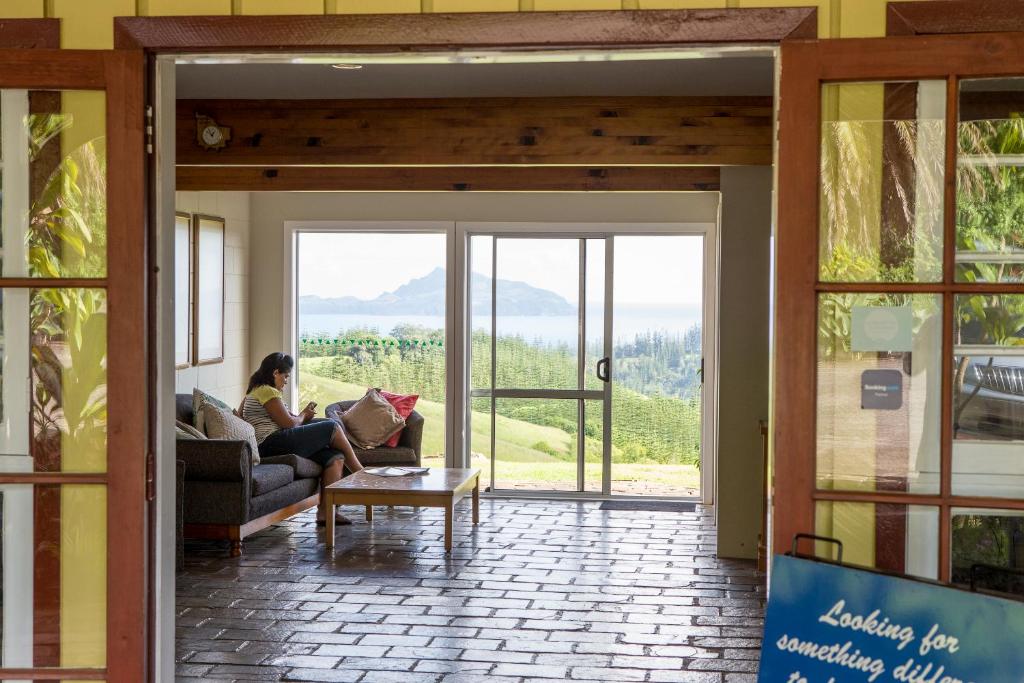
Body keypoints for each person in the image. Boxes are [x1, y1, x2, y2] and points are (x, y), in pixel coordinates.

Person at [240, 352, 363, 525]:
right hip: (270, 443)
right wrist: (304, 416)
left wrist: (303, 416)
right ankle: (360, 472)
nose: (286, 381)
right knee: (331, 427)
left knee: (335, 457)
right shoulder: (266, 391)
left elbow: (289, 420)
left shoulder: (256, 391)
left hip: (276, 441)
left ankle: (326, 513)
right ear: (275, 373)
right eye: (285, 376)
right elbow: (289, 424)